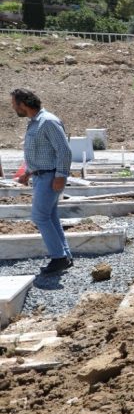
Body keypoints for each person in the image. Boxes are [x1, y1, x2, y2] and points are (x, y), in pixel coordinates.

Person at [11, 88, 74, 276]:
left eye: (14, 104)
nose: (13, 108)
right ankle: (65, 255)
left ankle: (58, 258)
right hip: (40, 176)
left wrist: (61, 176)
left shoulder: (48, 122)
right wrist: (28, 173)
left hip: (50, 177)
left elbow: (64, 151)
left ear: (23, 104)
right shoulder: (34, 123)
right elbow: (41, 153)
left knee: (39, 217)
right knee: (50, 216)